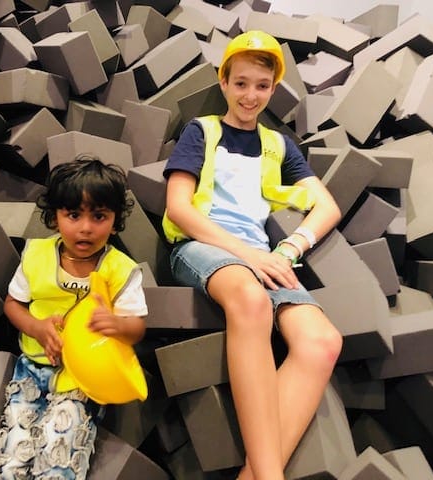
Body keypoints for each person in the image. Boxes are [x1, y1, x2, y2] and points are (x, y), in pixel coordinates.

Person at [162, 30, 343, 480]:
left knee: (322, 341)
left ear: (273, 88)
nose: (250, 95)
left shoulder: (278, 144)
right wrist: (247, 255)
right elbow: (179, 208)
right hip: (202, 249)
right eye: (240, 83)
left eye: (262, 86)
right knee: (250, 298)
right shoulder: (200, 131)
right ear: (223, 82)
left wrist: (289, 247)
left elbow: (328, 207)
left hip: (264, 258)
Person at [0, 156, 148, 480]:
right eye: (74, 215)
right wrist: (36, 327)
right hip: (32, 367)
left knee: (59, 447)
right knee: (14, 451)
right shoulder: (36, 255)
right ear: (54, 217)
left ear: (115, 221)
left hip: (81, 379)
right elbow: (12, 304)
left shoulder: (121, 269)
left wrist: (119, 325)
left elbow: (137, 329)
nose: (86, 227)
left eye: (99, 216)